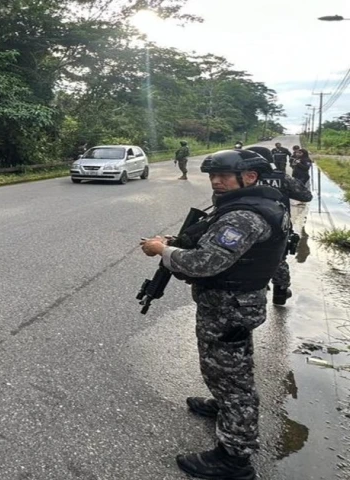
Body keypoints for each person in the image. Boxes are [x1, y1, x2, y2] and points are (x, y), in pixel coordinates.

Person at [140, 149, 289, 480]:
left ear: (248, 178)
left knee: (231, 378)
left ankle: (234, 458)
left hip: (228, 308)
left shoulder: (243, 217)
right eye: (212, 176)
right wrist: (177, 241)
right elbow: (209, 243)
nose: (216, 182)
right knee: (231, 368)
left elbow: (205, 263)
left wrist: (162, 250)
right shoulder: (259, 204)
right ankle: (224, 407)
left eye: (224, 176)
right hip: (236, 304)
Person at [247, 146, 313, 305]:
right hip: (276, 224)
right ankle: (280, 293)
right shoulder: (281, 177)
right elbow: (305, 195)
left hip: (245, 225)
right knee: (278, 258)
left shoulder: (239, 177)